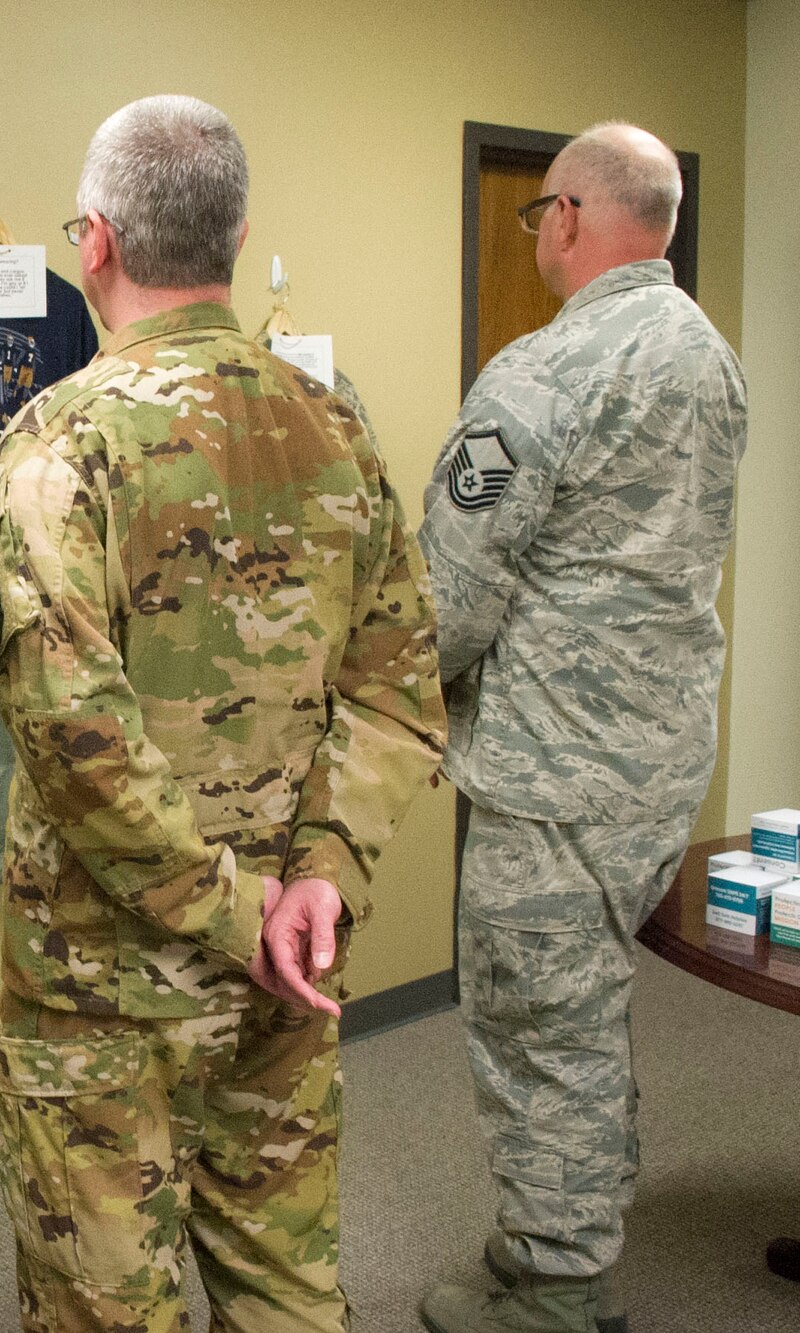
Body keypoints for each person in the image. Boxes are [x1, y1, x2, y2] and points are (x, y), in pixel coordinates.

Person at [0, 94, 445, 1333]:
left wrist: (240, 915)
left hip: (105, 995)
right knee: (284, 1285)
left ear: (92, 242)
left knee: (105, 1308)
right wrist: (313, 890)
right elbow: (398, 689)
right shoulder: (336, 426)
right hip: (291, 961)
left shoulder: (54, 448)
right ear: (234, 241)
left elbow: (73, 742)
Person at [417, 123, 746, 1333]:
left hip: (555, 771)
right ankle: (545, 1249)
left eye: (535, 216)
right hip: (659, 758)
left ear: (564, 216)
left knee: (538, 1025)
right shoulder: (707, 355)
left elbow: (446, 598)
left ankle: (557, 1290)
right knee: (583, 1009)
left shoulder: (540, 376)